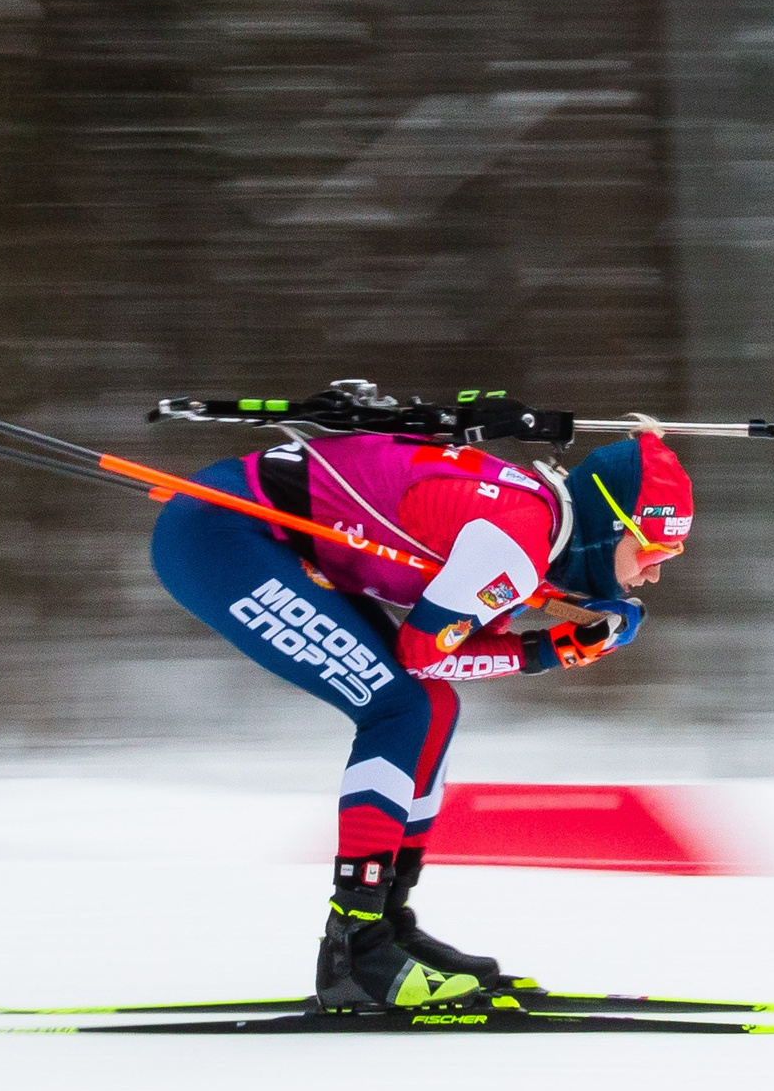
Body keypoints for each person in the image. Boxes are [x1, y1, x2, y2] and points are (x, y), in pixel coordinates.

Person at [147, 423, 696, 1010]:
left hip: (258, 532)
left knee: (429, 706)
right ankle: (355, 947)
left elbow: (452, 652)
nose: (655, 573)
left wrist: (562, 632)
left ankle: (384, 925)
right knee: (400, 707)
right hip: (223, 535)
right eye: (652, 549)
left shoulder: (534, 528)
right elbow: (424, 654)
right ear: (612, 526)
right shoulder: (518, 540)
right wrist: (552, 650)